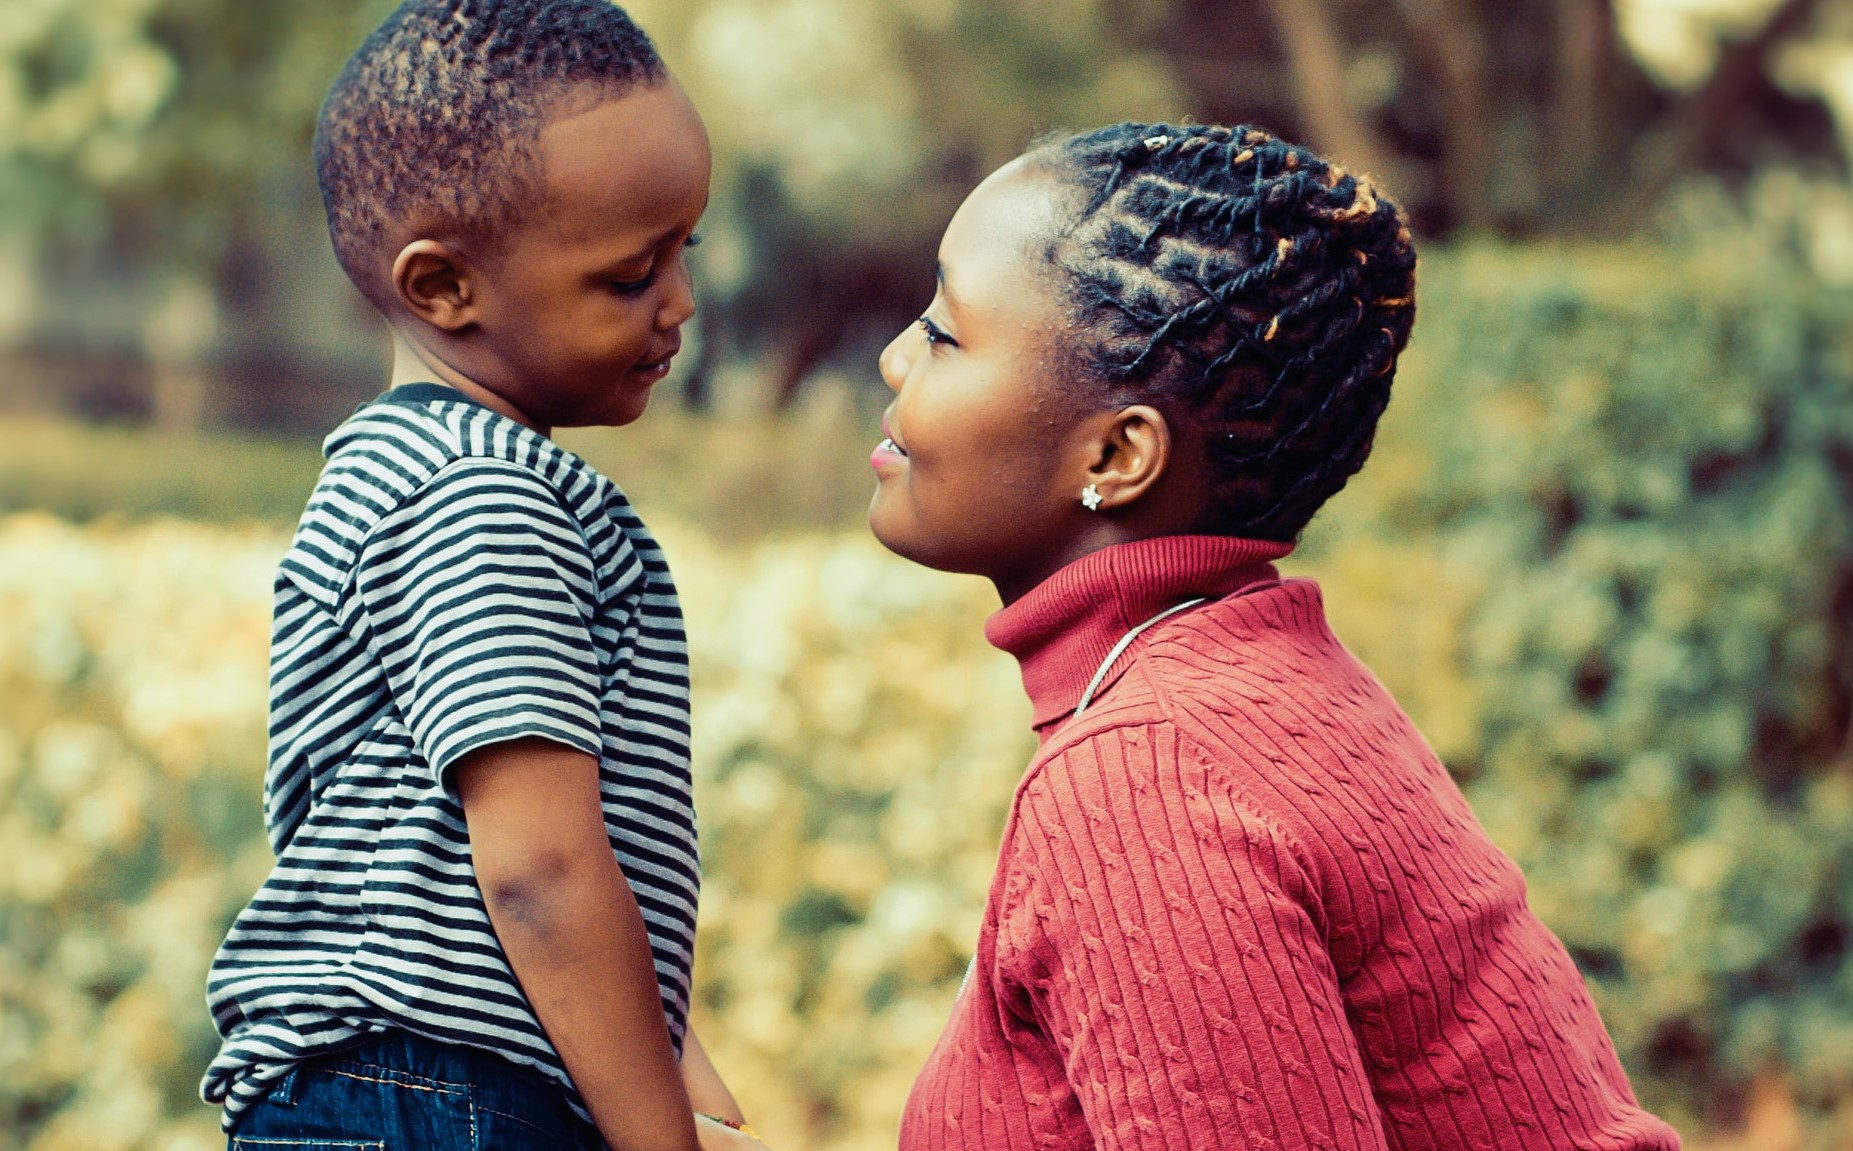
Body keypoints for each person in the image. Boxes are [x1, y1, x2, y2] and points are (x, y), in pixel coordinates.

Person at [869, 122, 1682, 1151]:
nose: (895, 355)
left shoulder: (1146, 776)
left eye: (945, 333)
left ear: (1119, 454)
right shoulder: (1265, 682)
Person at [199, 3, 760, 1148]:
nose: (680, 301)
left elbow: (465, 839)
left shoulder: (414, 469)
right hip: (427, 1092)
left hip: (407, 1085)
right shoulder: (478, 494)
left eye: (684, 249)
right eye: (628, 274)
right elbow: (540, 867)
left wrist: (657, 1029)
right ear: (444, 288)